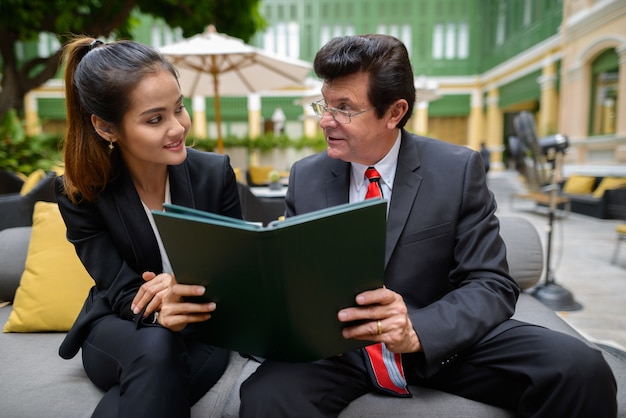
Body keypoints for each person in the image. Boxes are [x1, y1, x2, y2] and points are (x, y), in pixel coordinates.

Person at [239, 34, 617, 417]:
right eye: (324, 103)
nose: (325, 120)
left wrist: (418, 330)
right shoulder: (306, 176)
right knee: (265, 397)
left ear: (394, 112)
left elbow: (492, 283)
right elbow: (297, 279)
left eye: (344, 108)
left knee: (580, 369)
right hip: (342, 351)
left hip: (442, 343)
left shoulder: (456, 169)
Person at [55, 36, 242, 418]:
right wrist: (159, 313)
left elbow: (237, 271)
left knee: (152, 371)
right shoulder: (81, 193)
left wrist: (182, 292)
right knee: (159, 346)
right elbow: (120, 289)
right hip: (120, 327)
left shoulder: (214, 174)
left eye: (179, 109)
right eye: (155, 119)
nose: (177, 128)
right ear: (106, 128)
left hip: (203, 327)